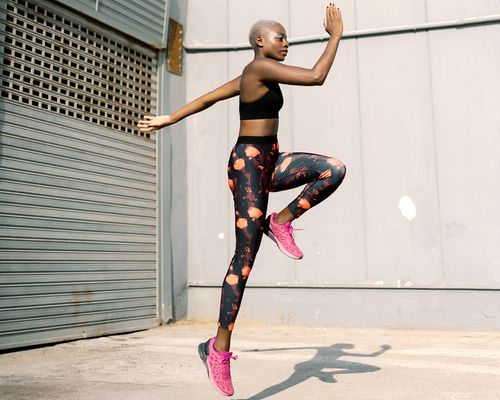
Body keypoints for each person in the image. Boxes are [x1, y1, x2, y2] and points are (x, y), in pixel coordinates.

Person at [138, 3, 344, 397]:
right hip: (247, 165)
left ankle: (279, 221)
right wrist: (335, 36)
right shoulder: (257, 68)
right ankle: (217, 349)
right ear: (260, 41)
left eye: (287, 38)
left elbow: (208, 98)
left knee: (333, 168)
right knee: (244, 259)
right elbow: (317, 77)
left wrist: (169, 117)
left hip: (270, 159)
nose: (287, 43)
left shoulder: (251, 75)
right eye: (280, 37)